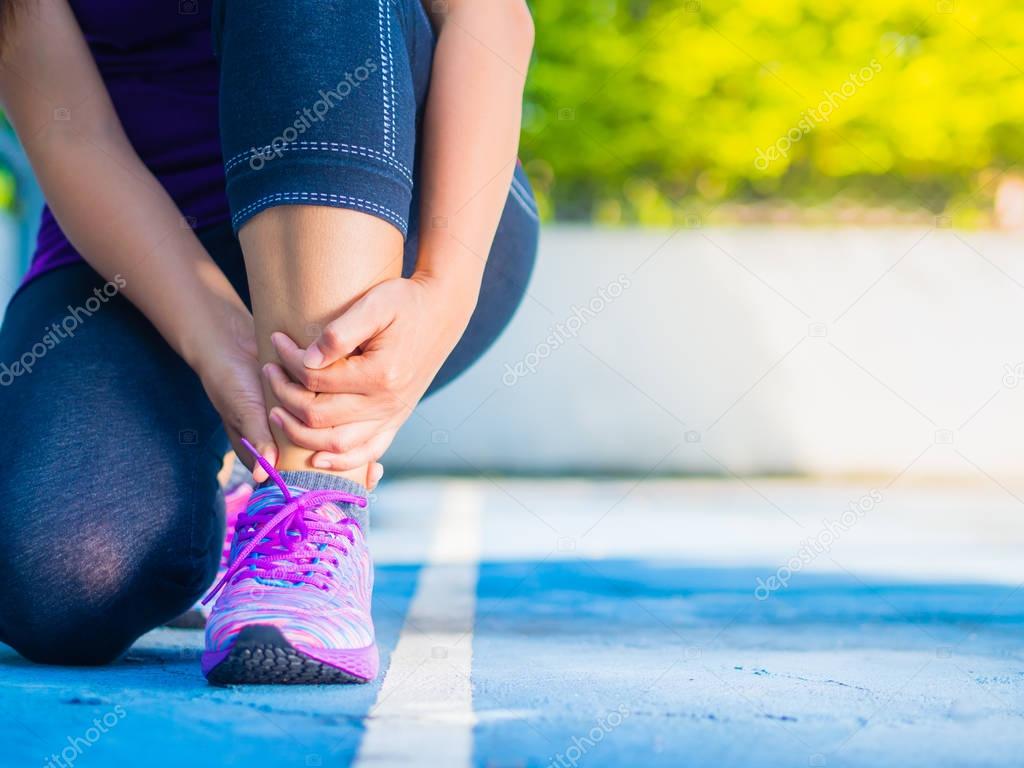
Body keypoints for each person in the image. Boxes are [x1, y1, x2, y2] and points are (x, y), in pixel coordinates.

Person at [0, 0, 537, 683]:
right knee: (64, 579)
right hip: (137, 254)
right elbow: (74, 136)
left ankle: (311, 500)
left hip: (408, 203)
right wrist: (216, 343)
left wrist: (444, 286)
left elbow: (489, 20)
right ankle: (232, 502)